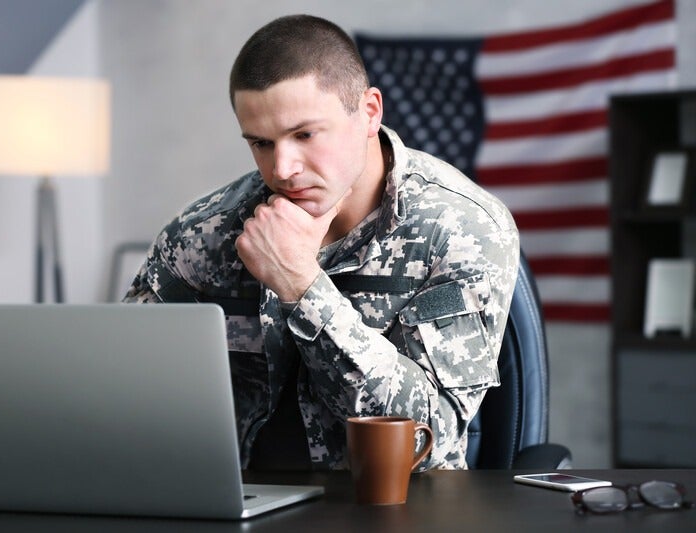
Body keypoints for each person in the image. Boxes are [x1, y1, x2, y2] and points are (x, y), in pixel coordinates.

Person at [124, 14, 519, 471]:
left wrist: (301, 286)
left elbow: (422, 440)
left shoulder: (463, 228)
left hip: (394, 511)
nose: (282, 169)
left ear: (370, 112)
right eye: (261, 143)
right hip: (238, 505)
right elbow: (124, 388)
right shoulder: (202, 234)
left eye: (304, 135)